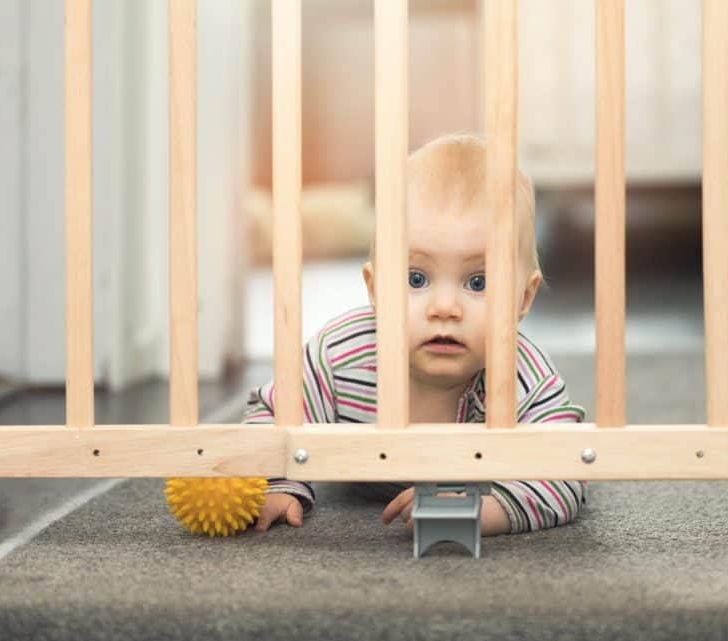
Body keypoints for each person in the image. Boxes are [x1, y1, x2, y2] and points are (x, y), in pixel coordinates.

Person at [244, 132, 587, 537]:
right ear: (374, 289)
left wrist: (488, 510)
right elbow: (271, 416)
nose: (444, 307)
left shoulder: (524, 377)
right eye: (416, 278)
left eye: (478, 283)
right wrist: (282, 483)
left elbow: (569, 471)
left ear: (523, 299)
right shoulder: (339, 356)